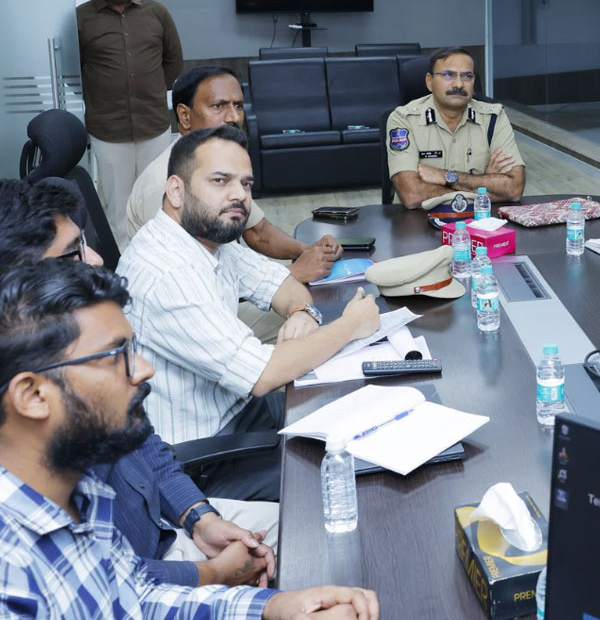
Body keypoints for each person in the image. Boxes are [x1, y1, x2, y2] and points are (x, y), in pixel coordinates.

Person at [0, 259, 379, 619]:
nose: (144, 370)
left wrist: (274, 607)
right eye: (116, 356)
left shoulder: (81, 493)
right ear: (32, 396)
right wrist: (225, 579)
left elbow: (133, 599)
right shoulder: (10, 574)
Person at [0, 177, 280, 586]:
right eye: (73, 253)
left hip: (170, 532)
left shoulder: (84, 354)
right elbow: (94, 578)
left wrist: (199, 517)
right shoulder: (47, 401)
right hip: (152, 576)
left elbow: (145, 443)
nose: (96, 259)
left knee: (318, 525)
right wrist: (213, 574)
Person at [118, 125, 380, 501]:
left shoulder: (209, 237)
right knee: (354, 473)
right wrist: (351, 325)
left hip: (241, 412)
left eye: (246, 183)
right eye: (220, 181)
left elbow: (282, 285)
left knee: (364, 410)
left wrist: (302, 312)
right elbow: (262, 374)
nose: (239, 195)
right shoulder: (166, 273)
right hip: (202, 463)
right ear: (176, 190)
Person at [124, 66, 343, 341]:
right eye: (218, 106)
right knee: (318, 322)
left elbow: (259, 232)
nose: (234, 117)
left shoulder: (218, 165)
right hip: (188, 318)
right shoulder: (165, 182)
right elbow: (192, 288)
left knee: (311, 310)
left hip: (222, 295)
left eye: (238, 106)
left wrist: (307, 250)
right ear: (184, 115)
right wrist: (293, 272)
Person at [76, 0, 183, 239]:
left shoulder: (157, 13)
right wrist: (102, 92)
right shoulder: (81, 19)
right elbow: (75, 71)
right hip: (108, 129)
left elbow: (173, 60)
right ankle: (124, 263)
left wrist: (151, 89)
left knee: (159, 200)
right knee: (118, 208)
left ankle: (160, 256)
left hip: (154, 124)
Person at [386, 47, 525, 208]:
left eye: (467, 76)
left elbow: (514, 188)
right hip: (418, 219)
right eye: (448, 75)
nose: (459, 84)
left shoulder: (494, 117)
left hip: (480, 217)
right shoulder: (404, 119)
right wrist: (484, 184)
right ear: (429, 81)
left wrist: (445, 177)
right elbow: (412, 195)